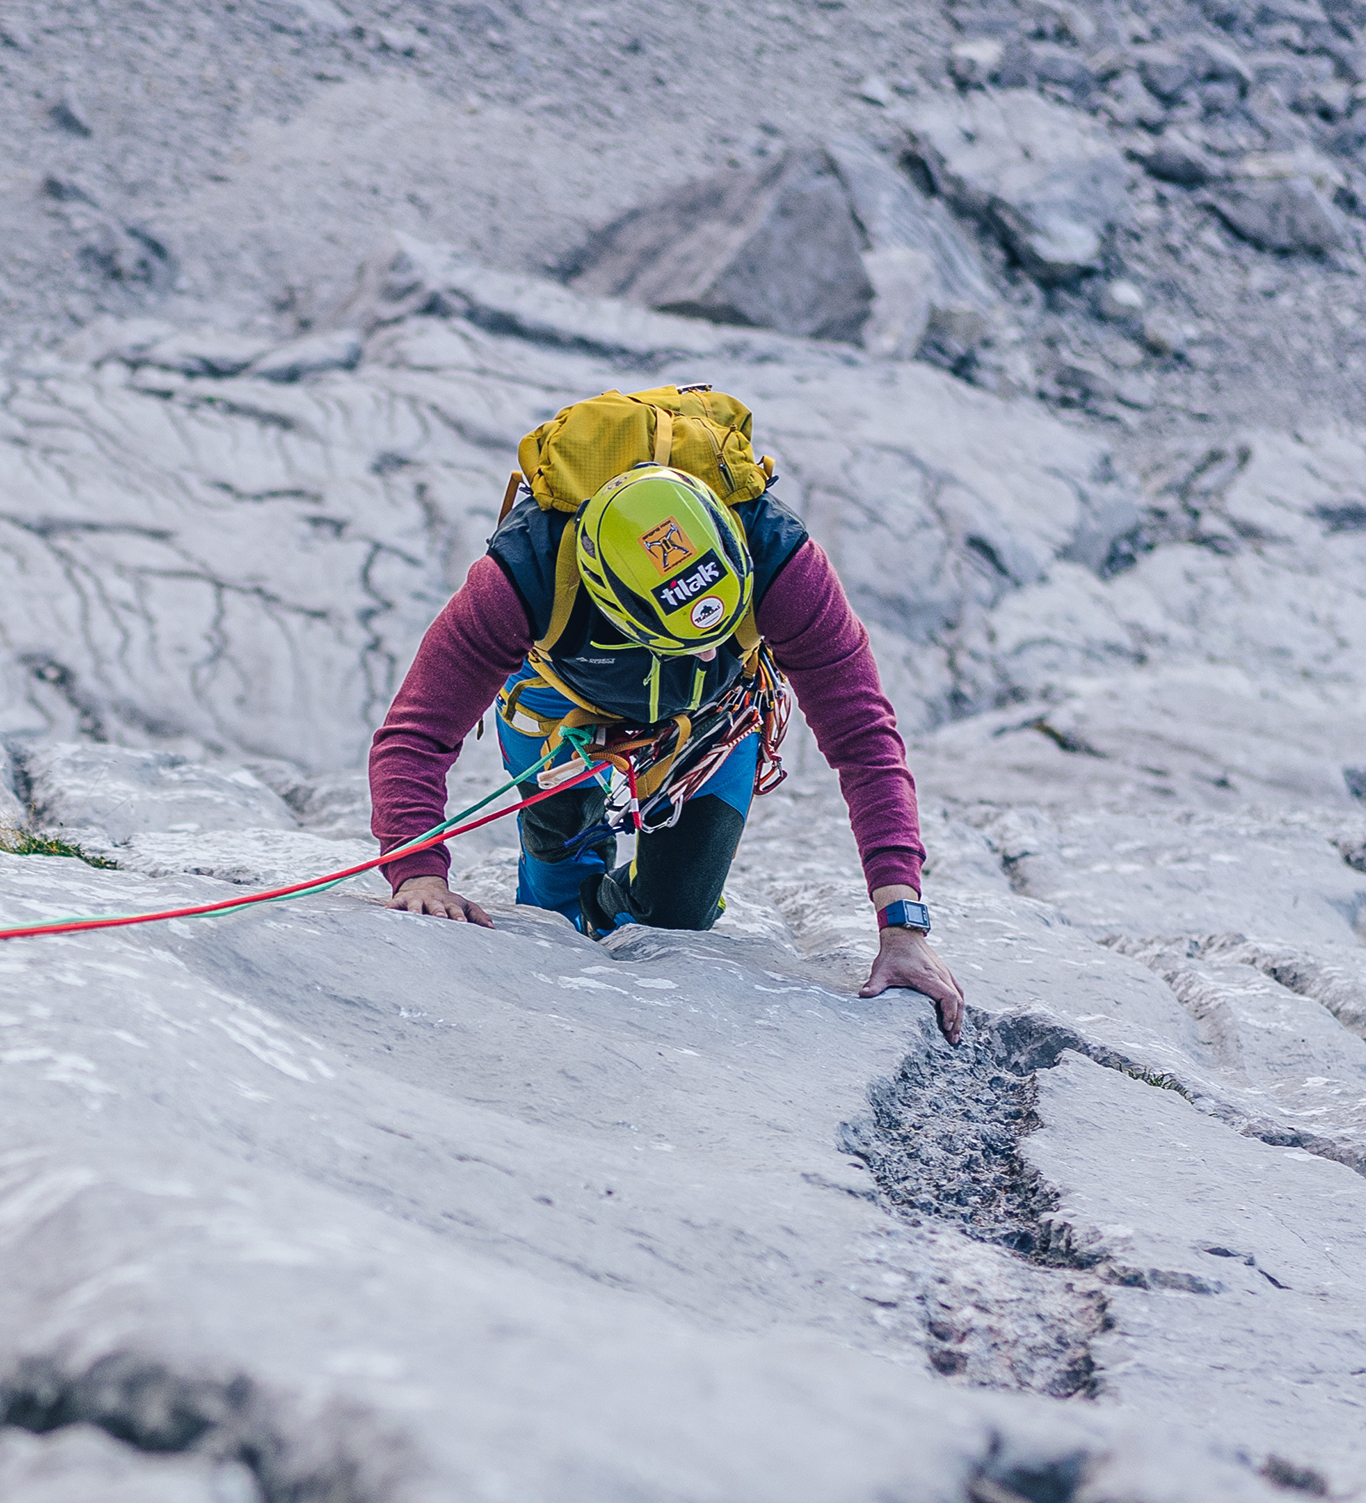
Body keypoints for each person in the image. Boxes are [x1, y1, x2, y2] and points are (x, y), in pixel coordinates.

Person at [366, 409, 966, 1043]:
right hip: (557, 714)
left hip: (716, 719)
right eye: (683, 643)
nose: (707, 654)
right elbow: (416, 732)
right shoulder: (524, 573)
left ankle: (608, 906)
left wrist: (903, 926)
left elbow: (864, 740)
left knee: (680, 911)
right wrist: (419, 873)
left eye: (717, 633)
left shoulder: (781, 560)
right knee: (554, 886)